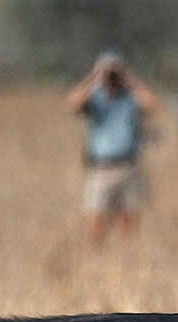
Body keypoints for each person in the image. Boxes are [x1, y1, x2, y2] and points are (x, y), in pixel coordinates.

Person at [65, 52, 158, 245]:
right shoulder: (95, 97)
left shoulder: (130, 97)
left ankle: (127, 260)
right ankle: (93, 260)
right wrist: (94, 77)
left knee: (129, 219)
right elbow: (72, 104)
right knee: (96, 218)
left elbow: (152, 105)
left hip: (129, 166)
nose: (112, 77)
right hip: (101, 168)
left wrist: (129, 78)